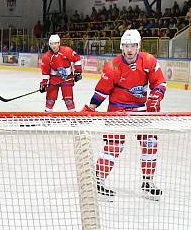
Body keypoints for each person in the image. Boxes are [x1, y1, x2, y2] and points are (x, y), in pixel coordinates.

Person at [82, 29, 167, 200]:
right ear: (122, 47)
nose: (130, 50)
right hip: (117, 110)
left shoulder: (149, 61)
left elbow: (160, 83)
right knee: (114, 146)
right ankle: (97, 182)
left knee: (150, 143)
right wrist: (91, 107)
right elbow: (101, 92)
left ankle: (147, 183)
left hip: (141, 110)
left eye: (133, 46)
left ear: (138, 46)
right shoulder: (113, 66)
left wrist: (157, 94)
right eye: (126, 46)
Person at [39, 34, 83, 112]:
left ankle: (72, 116)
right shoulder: (46, 57)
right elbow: (45, 72)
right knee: (50, 99)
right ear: (49, 44)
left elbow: (77, 59)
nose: (54, 46)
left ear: (59, 43)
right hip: (54, 79)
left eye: (55, 43)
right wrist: (44, 83)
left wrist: (78, 72)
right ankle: (47, 116)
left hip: (67, 78)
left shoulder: (67, 51)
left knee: (68, 99)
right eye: (52, 44)